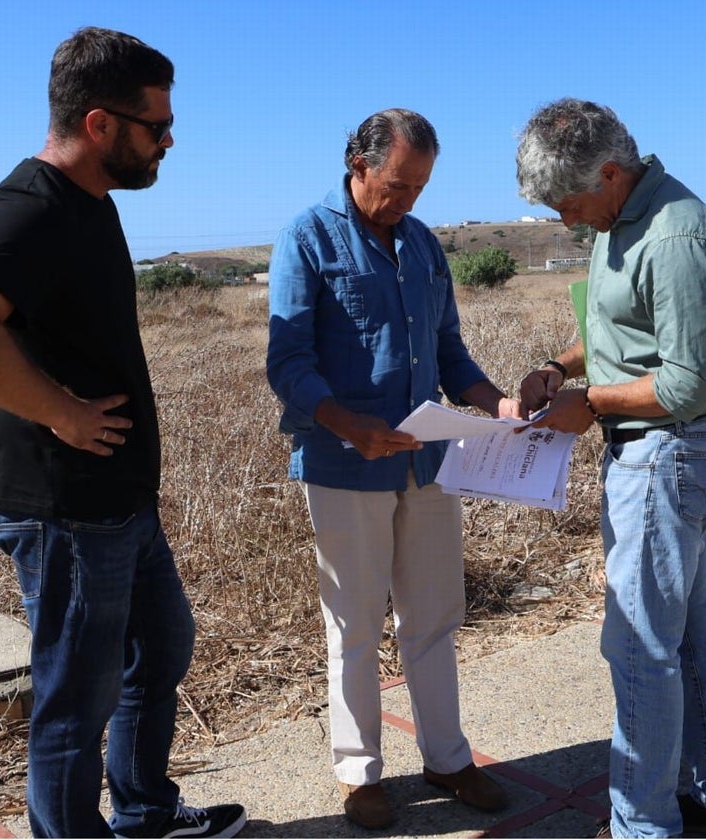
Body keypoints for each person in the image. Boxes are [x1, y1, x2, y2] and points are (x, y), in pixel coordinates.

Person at [0, 28, 245, 840]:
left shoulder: (90, 203)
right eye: (155, 125)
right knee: (77, 698)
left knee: (159, 652)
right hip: (64, 508)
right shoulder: (29, 205)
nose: (169, 139)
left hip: (116, 501)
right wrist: (61, 411)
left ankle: (142, 812)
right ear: (100, 124)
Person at [266, 108, 520, 830]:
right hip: (343, 464)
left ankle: (448, 757)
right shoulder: (306, 238)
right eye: (398, 185)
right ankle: (359, 772)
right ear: (359, 165)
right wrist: (351, 426)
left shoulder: (422, 245)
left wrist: (494, 403)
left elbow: (449, 353)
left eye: (420, 188)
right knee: (353, 623)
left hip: (427, 462)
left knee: (436, 617)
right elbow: (287, 362)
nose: (408, 201)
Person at [514, 99, 706, 838]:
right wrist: (556, 368)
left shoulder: (675, 235)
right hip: (655, 455)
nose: (564, 219)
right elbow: (614, 332)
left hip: (666, 454)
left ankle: (642, 824)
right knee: (689, 636)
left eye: (568, 201)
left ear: (612, 173)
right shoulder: (620, 220)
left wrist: (588, 404)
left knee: (638, 647)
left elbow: (684, 383)